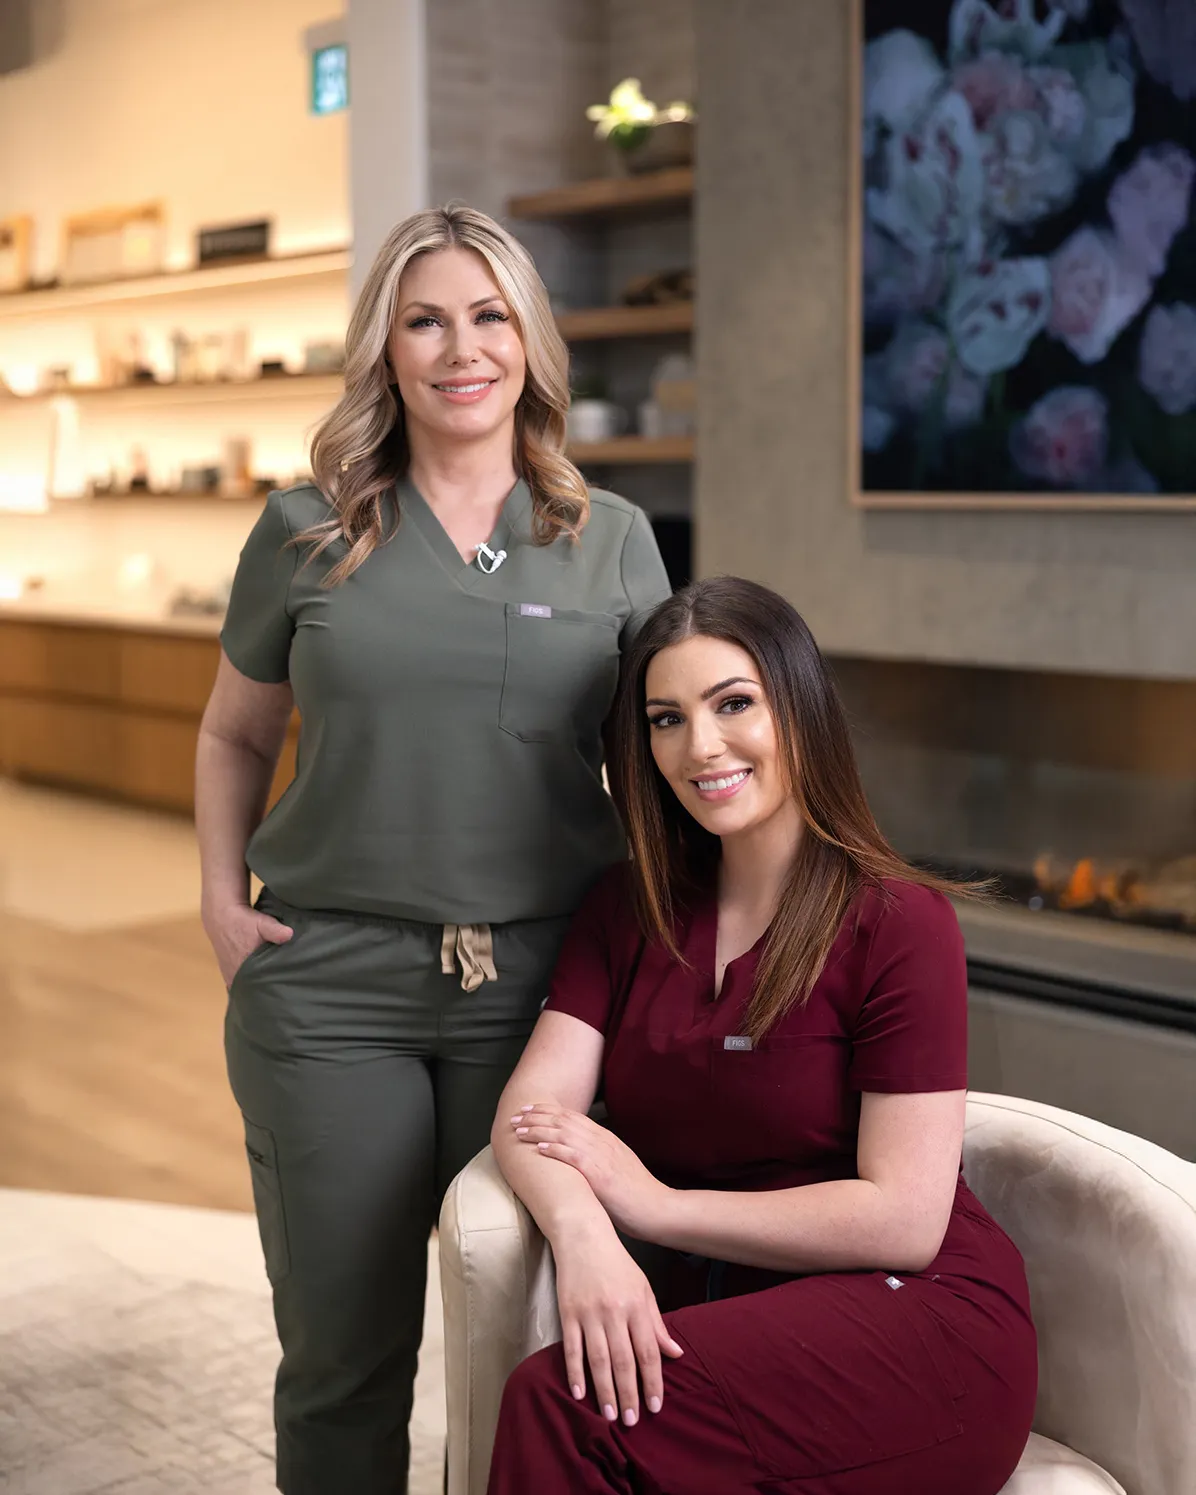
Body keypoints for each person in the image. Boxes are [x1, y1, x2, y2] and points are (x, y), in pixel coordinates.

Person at [195, 203, 670, 1495]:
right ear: (387, 350)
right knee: (344, 1355)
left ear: (530, 340)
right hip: (330, 982)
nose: (461, 348)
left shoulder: (610, 535)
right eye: (425, 319)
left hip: (543, 994)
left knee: (519, 1351)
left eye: (490, 314)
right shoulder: (307, 524)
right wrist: (219, 903)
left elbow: (656, 765)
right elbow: (237, 733)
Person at [485, 577, 1038, 1495]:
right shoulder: (628, 907)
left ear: (800, 710)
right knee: (583, 1395)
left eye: (733, 703)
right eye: (666, 718)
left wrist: (655, 1206)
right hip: (742, 1315)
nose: (700, 746)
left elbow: (905, 1219)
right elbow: (532, 1113)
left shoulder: (901, 921)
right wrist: (585, 1233)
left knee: (563, 1404)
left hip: (923, 1326)